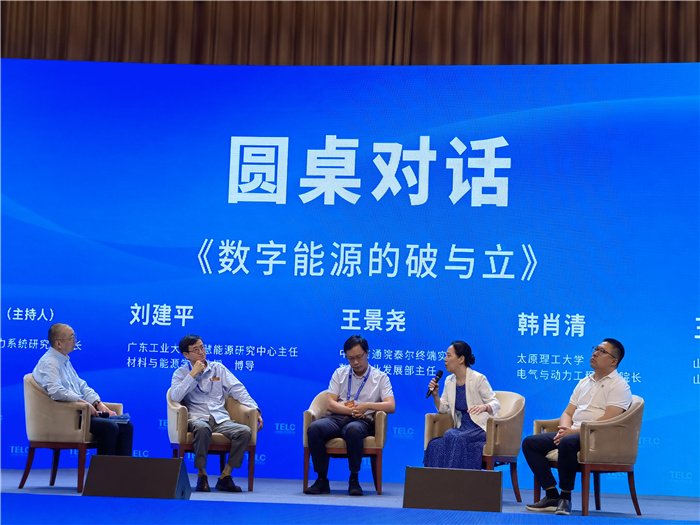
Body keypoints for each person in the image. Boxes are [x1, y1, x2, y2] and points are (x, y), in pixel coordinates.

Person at [523, 338, 632, 516]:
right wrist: (563, 430)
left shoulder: (619, 385)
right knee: (530, 443)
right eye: (595, 349)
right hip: (574, 432)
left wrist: (573, 432)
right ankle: (551, 494)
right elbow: (568, 413)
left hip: (598, 436)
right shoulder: (584, 382)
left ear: (614, 361)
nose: (595, 353)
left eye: (602, 351)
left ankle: (565, 497)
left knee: (568, 442)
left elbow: (609, 419)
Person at [170, 334, 263, 493]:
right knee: (202, 428)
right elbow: (175, 396)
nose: (201, 352)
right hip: (197, 418)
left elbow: (237, 389)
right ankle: (202, 475)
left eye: (202, 347)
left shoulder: (218, 368)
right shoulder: (180, 373)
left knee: (244, 432)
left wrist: (255, 410)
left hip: (220, 419)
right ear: (186, 355)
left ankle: (225, 476)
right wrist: (193, 374)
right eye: (196, 350)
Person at [305, 335, 395, 496]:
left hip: (362, 421)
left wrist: (367, 406)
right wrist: (350, 411)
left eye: (359, 357)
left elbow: (391, 406)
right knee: (315, 428)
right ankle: (321, 479)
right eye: (351, 358)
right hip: (337, 417)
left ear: (367, 353)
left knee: (353, 429)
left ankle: (354, 479)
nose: (355, 362)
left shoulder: (380, 377)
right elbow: (330, 403)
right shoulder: (339, 373)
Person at [33, 323, 134, 456]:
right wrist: (83, 403)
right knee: (109, 427)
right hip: (66, 417)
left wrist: (97, 403)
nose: (75, 341)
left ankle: (120, 469)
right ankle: (103, 469)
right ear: (58, 344)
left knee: (126, 426)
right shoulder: (50, 362)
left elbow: (81, 386)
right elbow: (55, 391)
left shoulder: (64, 361)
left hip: (80, 414)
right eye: (71, 338)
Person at [423, 340, 500, 470]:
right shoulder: (449, 380)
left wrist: (484, 407)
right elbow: (443, 409)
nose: (445, 359)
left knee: (453, 436)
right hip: (462, 427)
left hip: (481, 427)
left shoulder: (478, 378)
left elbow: (495, 403)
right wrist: (435, 395)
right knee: (435, 444)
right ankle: (436, 480)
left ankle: (455, 478)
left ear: (461, 359)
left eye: (449, 355)